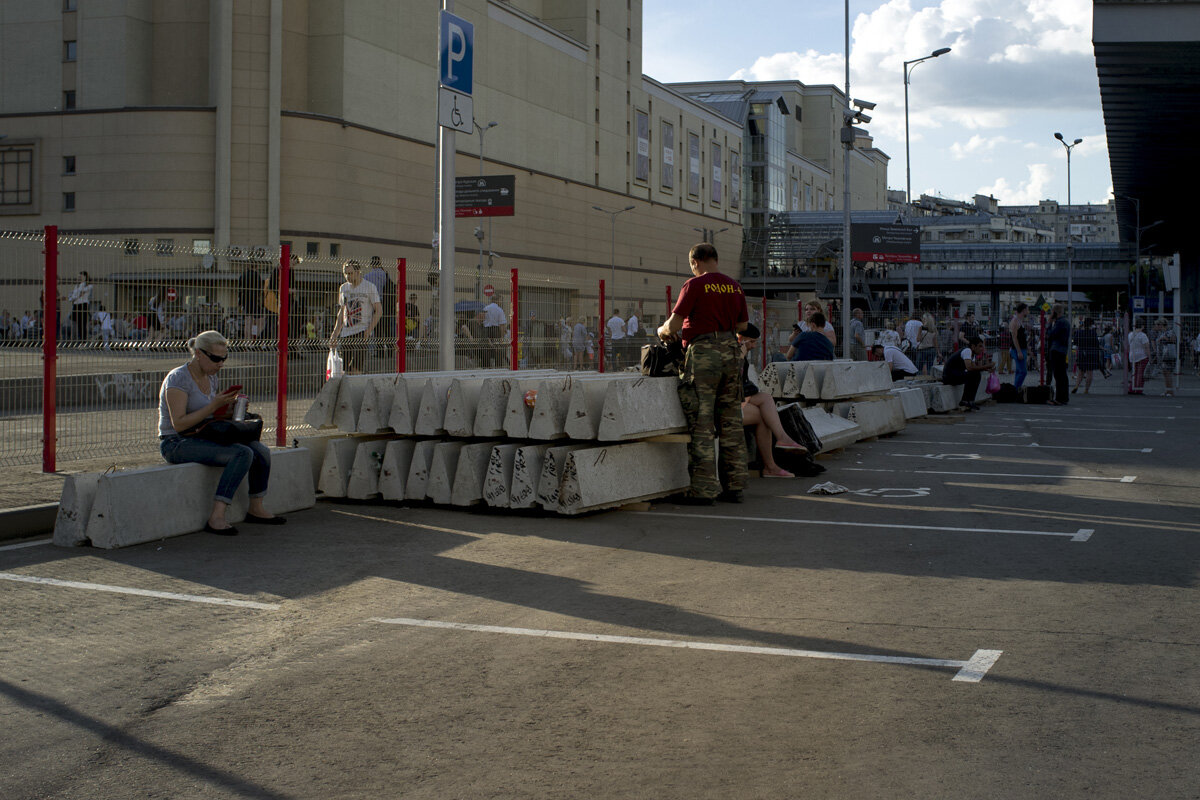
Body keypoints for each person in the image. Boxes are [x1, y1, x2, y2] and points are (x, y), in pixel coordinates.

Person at [157, 330, 284, 535]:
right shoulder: (178, 379)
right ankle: (216, 516)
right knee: (242, 453)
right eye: (215, 358)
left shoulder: (210, 377)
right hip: (176, 442)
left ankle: (256, 507)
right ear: (198, 354)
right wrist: (214, 405)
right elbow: (179, 424)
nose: (220, 364)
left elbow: (208, 416)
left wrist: (229, 409)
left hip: (201, 434)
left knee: (260, 450)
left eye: (224, 358)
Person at [658, 242, 748, 505]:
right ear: (716, 259)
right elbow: (743, 325)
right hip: (732, 352)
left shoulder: (695, 285)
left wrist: (663, 331)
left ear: (695, 261)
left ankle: (704, 490)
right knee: (731, 420)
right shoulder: (734, 286)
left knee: (702, 421)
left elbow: (674, 324)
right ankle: (735, 485)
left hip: (704, 353)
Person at [738, 323, 806, 478]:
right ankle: (771, 464)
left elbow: (744, 385)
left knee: (766, 401)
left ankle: (780, 443)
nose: (754, 346)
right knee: (765, 415)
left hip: (737, 400)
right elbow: (732, 383)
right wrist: (740, 358)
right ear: (740, 338)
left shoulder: (740, 355)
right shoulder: (732, 354)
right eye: (752, 342)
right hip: (725, 404)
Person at [329, 259, 381, 375]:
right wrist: (335, 334)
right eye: (345, 273)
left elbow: (379, 310)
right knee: (346, 370)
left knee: (357, 369)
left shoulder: (369, 287)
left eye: (350, 273)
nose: (348, 276)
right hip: (346, 333)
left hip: (361, 331)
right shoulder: (343, 288)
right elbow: (341, 312)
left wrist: (369, 330)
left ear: (358, 272)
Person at [942, 335, 993, 411]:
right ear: (973, 346)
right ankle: (965, 400)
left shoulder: (972, 354)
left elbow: (974, 367)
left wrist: (987, 369)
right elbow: (969, 367)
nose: (981, 349)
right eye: (980, 346)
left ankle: (970, 400)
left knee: (976, 374)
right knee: (974, 375)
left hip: (956, 375)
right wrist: (986, 366)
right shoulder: (967, 351)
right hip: (949, 377)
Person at [1045, 304, 1071, 405]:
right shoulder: (1066, 322)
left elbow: (1050, 335)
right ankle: (1064, 397)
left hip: (1057, 350)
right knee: (1063, 375)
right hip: (1062, 350)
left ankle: (1059, 398)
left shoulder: (1059, 323)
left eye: (1052, 312)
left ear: (1055, 312)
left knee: (1058, 375)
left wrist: (1049, 323)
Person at [1072, 318, 1104, 394]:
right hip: (1091, 353)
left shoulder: (1079, 332)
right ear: (1091, 324)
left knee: (1080, 372)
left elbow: (1075, 342)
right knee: (1089, 372)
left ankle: (1076, 386)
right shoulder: (1093, 333)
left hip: (1081, 353)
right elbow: (1096, 344)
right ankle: (1086, 390)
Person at [1009, 302, 1031, 389]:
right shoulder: (1015, 321)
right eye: (1027, 310)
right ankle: (1016, 389)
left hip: (1021, 349)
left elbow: (1020, 337)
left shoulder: (1019, 321)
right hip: (1018, 350)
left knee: (1019, 371)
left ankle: (1016, 388)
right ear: (1024, 310)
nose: (1028, 312)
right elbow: (1014, 338)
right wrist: (1019, 352)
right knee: (1023, 372)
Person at [1153, 318, 1178, 397]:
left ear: (1161, 325)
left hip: (1168, 355)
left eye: (1157, 325)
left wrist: (1164, 338)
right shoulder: (1161, 333)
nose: (1155, 326)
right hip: (1163, 355)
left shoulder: (1169, 331)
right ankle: (1167, 390)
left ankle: (1170, 391)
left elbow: (1173, 340)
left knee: (1168, 373)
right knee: (1165, 373)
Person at [482, 295, 507, 367]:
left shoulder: (486, 308)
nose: (501, 302)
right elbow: (502, 324)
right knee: (497, 349)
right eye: (500, 300)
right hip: (496, 330)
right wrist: (502, 337)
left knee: (486, 349)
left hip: (486, 329)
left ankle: (486, 366)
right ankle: (498, 366)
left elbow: (483, 320)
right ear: (497, 300)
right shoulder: (499, 310)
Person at [67, 272, 93, 341]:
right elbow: (73, 294)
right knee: (75, 323)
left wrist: (73, 298)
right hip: (76, 305)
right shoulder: (77, 286)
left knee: (82, 323)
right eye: (78, 277)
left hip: (83, 305)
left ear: (85, 277)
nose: (79, 278)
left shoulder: (88, 285)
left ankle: (83, 340)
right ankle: (75, 339)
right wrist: (71, 298)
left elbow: (80, 294)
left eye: (80, 277)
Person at [1128, 320, 1151, 394]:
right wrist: (1149, 357)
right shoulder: (1143, 335)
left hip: (1132, 356)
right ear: (1142, 326)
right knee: (1140, 374)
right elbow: (1146, 347)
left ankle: (1131, 388)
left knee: (1134, 373)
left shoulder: (1130, 334)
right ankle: (1138, 389)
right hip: (1142, 356)